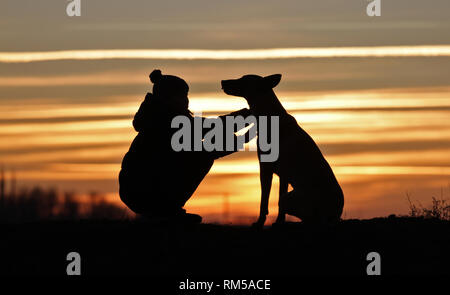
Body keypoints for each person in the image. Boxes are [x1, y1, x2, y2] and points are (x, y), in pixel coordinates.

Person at [119, 69, 254, 223]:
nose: (186, 100)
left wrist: (239, 136)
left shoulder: (156, 117)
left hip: (136, 190)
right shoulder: (166, 120)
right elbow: (207, 133)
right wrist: (242, 122)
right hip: (144, 191)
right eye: (183, 96)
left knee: (201, 156)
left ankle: (167, 210)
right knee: (202, 158)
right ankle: (167, 211)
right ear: (170, 96)